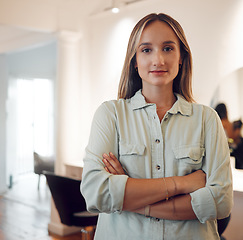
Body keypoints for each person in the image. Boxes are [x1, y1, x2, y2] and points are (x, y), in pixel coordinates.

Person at [80, 13, 233, 240]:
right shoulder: (110, 114)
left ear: (181, 57)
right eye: (146, 49)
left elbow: (220, 203)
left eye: (168, 48)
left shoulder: (207, 119)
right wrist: (183, 184)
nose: (158, 60)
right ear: (135, 60)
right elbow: (96, 194)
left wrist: (130, 194)